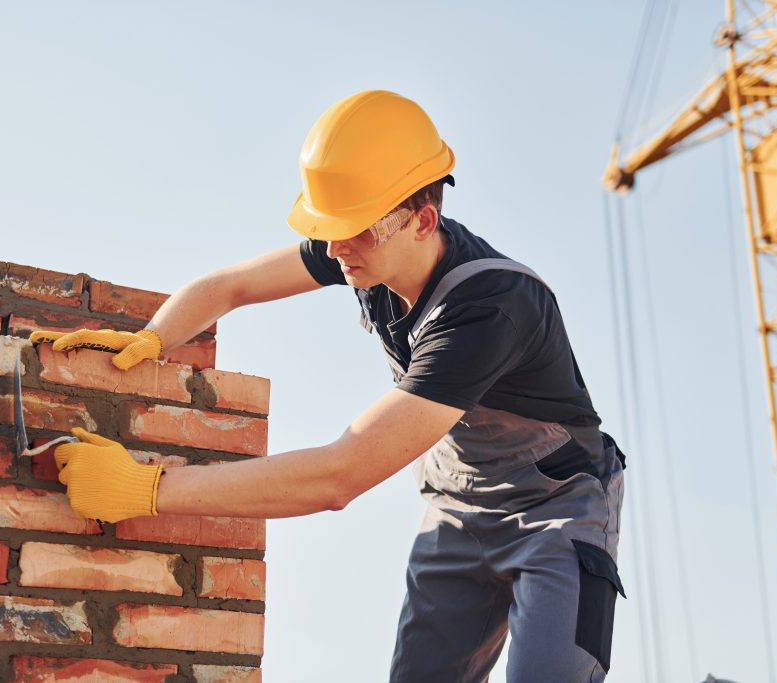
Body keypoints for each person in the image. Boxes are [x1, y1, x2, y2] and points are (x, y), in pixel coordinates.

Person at [31, 89, 627, 683]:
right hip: (459, 509)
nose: (335, 250)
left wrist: (148, 489)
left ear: (422, 220)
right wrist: (154, 338)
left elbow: (340, 476)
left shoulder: (491, 310)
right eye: (329, 228)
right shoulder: (365, 245)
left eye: (355, 232)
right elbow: (229, 288)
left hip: (554, 515)